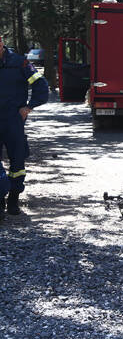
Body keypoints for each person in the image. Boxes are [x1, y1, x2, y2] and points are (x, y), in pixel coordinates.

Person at [0, 37, 49, 219]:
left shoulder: (20, 63)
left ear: (1, 42)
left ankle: (13, 198)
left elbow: (41, 85)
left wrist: (29, 106)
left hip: (13, 120)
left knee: (17, 163)